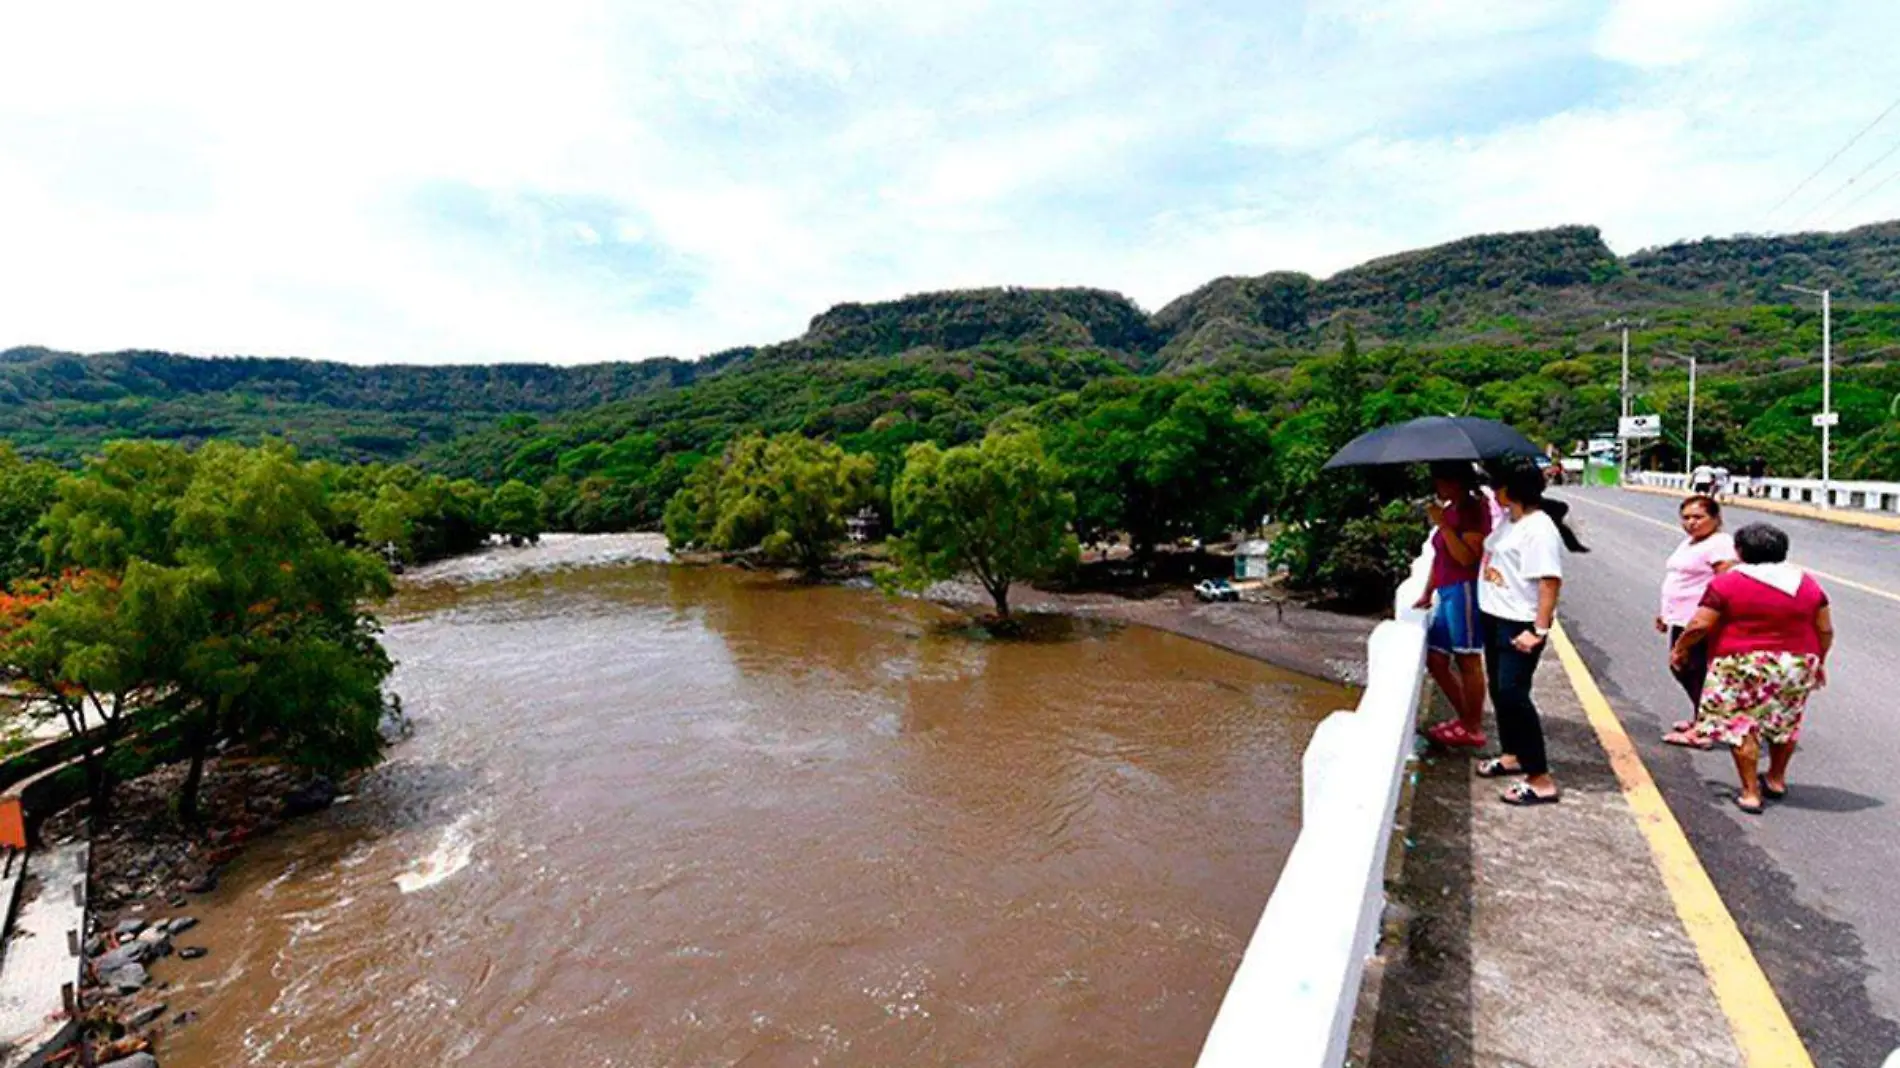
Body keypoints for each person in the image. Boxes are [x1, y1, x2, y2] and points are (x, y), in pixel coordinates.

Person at [1665, 524, 1832, 814]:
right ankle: (1776, 778)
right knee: (1785, 720)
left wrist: (1681, 647)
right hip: (1796, 662)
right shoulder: (1807, 583)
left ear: (1740, 552)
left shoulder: (1728, 583)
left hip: (1741, 662)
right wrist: (1819, 660)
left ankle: (1751, 792)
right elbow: (1825, 629)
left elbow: (1701, 624)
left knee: (1742, 723)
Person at [1473, 459, 1590, 805]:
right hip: (1495, 615)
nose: (1494, 492)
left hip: (1518, 622)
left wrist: (1538, 630)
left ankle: (1540, 778)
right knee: (1499, 689)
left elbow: (1549, 582)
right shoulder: (1513, 521)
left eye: (1498, 485)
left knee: (1513, 694)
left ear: (1512, 489)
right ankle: (1513, 755)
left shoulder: (1538, 528)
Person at [1416, 462, 1493, 749]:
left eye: (1440, 480)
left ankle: (1472, 727)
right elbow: (1439, 557)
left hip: (1465, 590)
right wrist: (1427, 593)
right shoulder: (1450, 508)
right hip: (1447, 591)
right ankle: (1466, 718)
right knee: (1436, 659)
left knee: (1467, 659)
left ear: (1456, 482)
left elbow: (1466, 558)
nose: (1437, 486)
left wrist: (1444, 526)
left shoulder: (1473, 511)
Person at [1657, 495, 1736, 748]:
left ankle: (1705, 730)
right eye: (1686, 517)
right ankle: (1702, 719)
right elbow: (1680, 579)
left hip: (1699, 619)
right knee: (1685, 669)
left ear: (1715, 519)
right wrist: (1665, 613)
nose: (1691, 522)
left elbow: (1725, 584)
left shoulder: (1720, 544)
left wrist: (1712, 615)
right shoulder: (1691, 543)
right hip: (1680, 617)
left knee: (1693, 670)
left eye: (1698, 517)